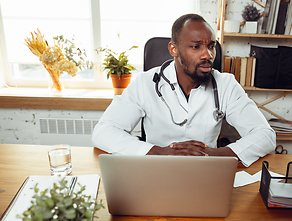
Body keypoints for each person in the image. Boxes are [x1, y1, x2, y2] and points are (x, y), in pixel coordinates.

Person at [92, 14, 276, 167]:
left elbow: (265, 135)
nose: (208, 55)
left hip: (207, 170)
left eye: (211, 46)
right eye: (196, 46)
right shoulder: (145, 82)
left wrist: (216, 156)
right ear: (174, 49)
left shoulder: (226, 84)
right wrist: (159, 153)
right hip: (156, 169)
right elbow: (103, 132)